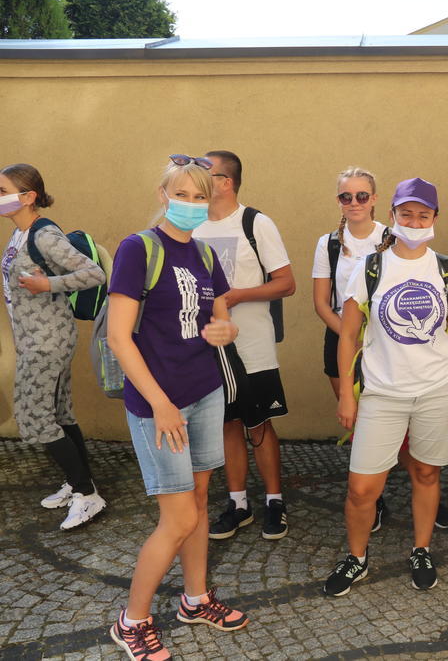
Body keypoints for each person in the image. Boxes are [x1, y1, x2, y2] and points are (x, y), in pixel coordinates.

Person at [107, 155, 247, 659]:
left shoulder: (204, 255)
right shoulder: (139, 248)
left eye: (199, 196)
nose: (190, 203)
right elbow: (119, 338)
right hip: (159, 403)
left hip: (204, 391)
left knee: (199, 502)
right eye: (181, 194)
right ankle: (131, 621)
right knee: (178, 518)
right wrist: (161, 404)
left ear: (211, 200)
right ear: (163, 195)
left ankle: (195, 598)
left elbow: (221, 317)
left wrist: (225, 330)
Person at [325, 178, 448, 596]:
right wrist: (346, 393)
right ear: (392, 216)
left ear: (435, 218)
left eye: (423, 215)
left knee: (426, 472)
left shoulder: (447, 268)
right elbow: (347, 336)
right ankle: (357, 558)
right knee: (361, 489)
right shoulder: (370, 267)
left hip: (436, 390)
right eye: (406, 214)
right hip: (381, 394)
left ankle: (421, 549)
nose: (414, 221)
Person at [312, 167, 448, 533]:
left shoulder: (393, 237)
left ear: (375, 200)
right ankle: (373, 499)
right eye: (346, 196)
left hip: (392, 346)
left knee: (408, 434)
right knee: (364, 427)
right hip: (348, 343)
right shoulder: (329, 244)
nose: (354, 202)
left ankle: (423, 488)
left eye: (362, 195)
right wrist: (356, 337)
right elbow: (323, 303)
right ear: (338, 201)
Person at [195, 150, 296, 543]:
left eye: (206, 173)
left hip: (253, 346)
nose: (197, 179)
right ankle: (238, 504)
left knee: (259, 424)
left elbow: (286, 283)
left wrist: (237, 295)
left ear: (226, 182)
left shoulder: (255, 223)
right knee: (227, 424)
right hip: (210, 349)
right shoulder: (193, 224)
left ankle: (274, 501)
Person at [0, 163, 107, 530]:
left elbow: (94, 273)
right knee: (60, 413)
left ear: (28, 196)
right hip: (35, 337)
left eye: (3, 191)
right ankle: (80, 484)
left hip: (47, 341)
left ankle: (86, 495)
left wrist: (49, 285)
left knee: (34, 415)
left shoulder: (43, 235)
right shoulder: (20, 233)